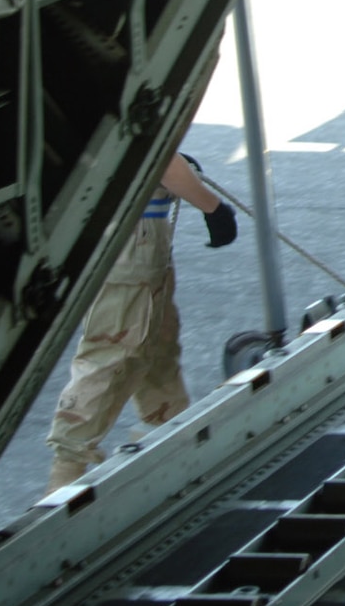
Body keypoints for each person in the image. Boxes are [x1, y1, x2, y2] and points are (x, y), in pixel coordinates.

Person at [46, 150, 239, 491]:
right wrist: (213, 207)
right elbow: (157, 156)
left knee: (156, 346)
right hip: (130, 237)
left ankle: (172, 438)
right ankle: (66, 473)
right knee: (112, 351)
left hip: (133, 235)